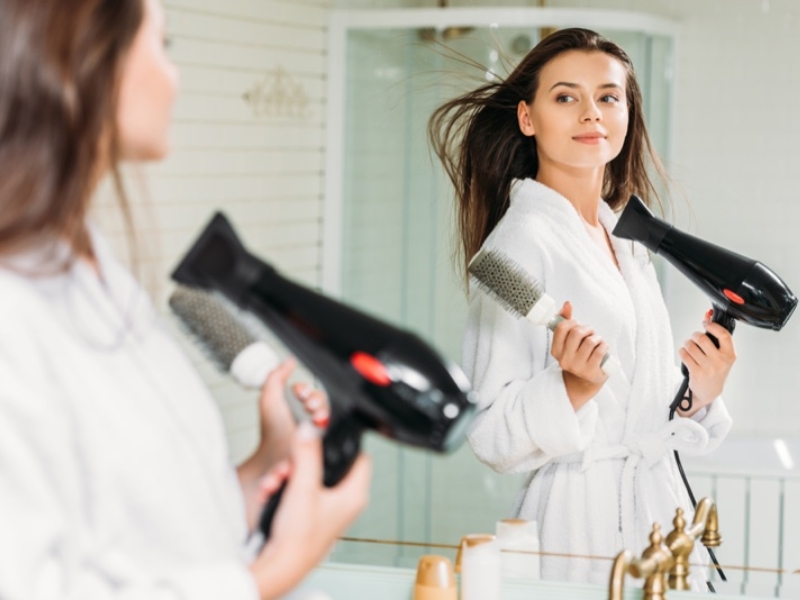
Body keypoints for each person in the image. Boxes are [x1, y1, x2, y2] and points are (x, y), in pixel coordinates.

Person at [0, 1, 369, 599]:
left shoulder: (95, 272)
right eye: (163, 46)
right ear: (92, 60)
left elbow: (137, 539)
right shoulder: (13, 311)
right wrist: (277, 570)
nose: (174, 77)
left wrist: (257, 478)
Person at [429, 28, 735, 587]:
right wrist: (570, 390)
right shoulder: (517, 246)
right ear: (527, 118)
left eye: (608, 97)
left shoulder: (622, 237)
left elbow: (639, 397)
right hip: (578, 525)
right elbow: (489, 431)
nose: (591, 113)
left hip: (652, 513)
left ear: (627, 113)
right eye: (566, 97)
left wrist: (697, 392)